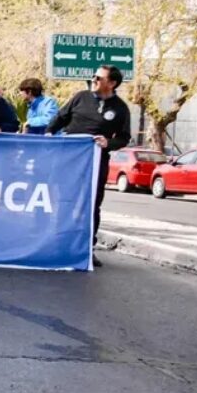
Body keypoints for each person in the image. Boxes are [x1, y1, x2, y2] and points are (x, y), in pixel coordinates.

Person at [47, 65, 131, 267]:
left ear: (111, 83)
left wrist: (108, 143)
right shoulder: (80, 97)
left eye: (98, 78)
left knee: (92, 204)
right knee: (64, 200)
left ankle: (87, 249)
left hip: (96, 161)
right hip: (69, 159)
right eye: (93, 76)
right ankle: (57, 243)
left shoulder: (120, 108)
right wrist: (50, 133)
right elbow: (60, 118)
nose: (93, 80)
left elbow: (124, 137)